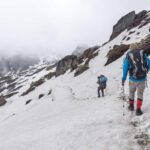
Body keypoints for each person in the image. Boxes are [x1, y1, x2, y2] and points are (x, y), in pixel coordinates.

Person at [122, 43, 150, 116]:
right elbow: (149, 62)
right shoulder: (142, 53)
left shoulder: (129, 55)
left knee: (131, 92)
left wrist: (123, 78)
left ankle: (131, 106)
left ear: (131, 48)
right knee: (140, 94)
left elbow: (125, 68)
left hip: (132, 79)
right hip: (142, 78)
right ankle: (138, 110)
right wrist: (146, 71)